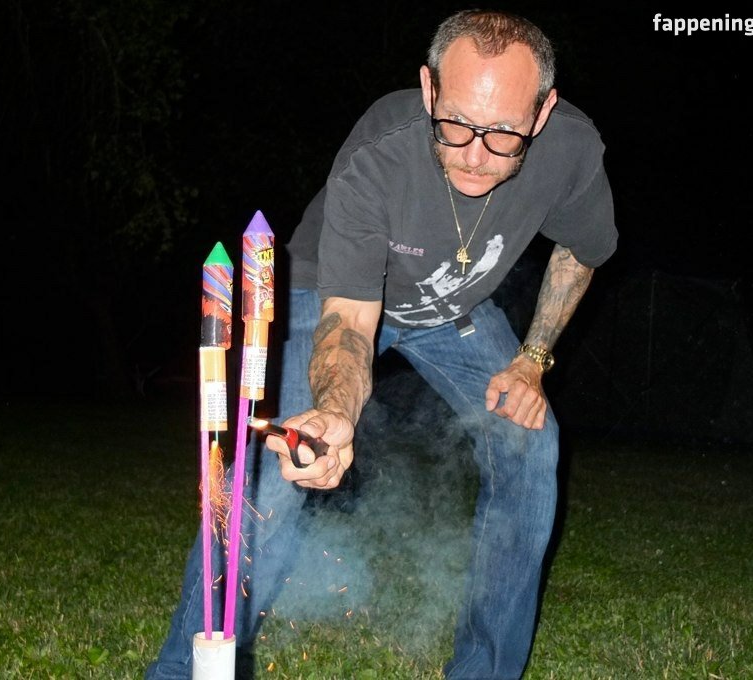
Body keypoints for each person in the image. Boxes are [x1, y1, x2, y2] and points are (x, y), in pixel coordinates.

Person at [148, 9, 616, 679]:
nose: (475, 154)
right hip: (333, 292)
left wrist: (532, 358)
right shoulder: (380, 153)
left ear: (542, 113)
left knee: (529, 444)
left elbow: (583, 247)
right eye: (455, 124)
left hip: (455, 305)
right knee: (271, 476)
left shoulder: (572, 149)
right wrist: (334, 412)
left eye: (504, 133)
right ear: (429, 89)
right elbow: (349, 323)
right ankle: (182, 671)